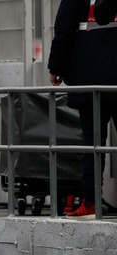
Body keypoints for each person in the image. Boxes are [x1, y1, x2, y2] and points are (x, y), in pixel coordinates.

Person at [48, 0, 117, 218]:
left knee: (93, 145)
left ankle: (91, 203)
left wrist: (55, 68)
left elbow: (64, 32)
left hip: (90, 79)